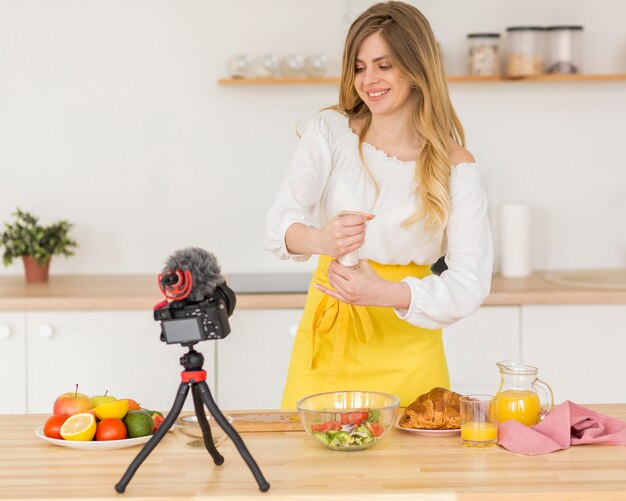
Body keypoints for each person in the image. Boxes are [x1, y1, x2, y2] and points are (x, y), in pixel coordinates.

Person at [264, 1, 493, 409]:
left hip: (409, 353)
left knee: (410, 470)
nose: (368, 80)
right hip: (328, 343)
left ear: (416, 67)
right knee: (312, 470)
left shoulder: (456, 166)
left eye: (384, 65)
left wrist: (385, 292)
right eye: (359, 67)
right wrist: (320, 238)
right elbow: (279, 223)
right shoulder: (331, 133)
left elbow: (470, 283)